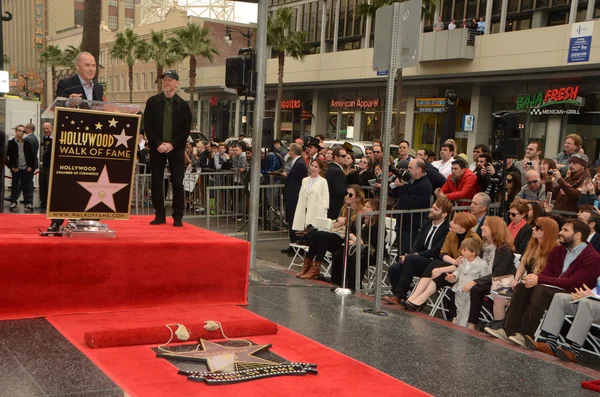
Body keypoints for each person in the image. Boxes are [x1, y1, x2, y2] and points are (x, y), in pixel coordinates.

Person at [485, 220, 600, 347]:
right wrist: (533, 278)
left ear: (577, 235)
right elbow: (546, 273)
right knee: (523, 286)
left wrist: (539, 279)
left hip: (573, 295)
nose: (560, 233)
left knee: (540, 289)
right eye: (561, 229)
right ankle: (508, 330)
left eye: (565, 230)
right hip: (553, 289)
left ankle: (526, 335)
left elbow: (574, 283)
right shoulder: (558, 250)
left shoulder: (592, 257)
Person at [48, 51, 105, 232]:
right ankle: (57, 219)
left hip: (91, 142)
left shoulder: (98, 88)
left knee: (90, 178)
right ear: (78, 67)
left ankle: (88, 216)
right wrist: (67, 103)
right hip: (70, 141)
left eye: (94, 65)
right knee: (65, 180)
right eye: (87, 65)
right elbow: (55, 106)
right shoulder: (66, 84)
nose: (91, 69)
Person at [487, 217, 559, 332]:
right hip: (526, 282)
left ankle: (515, 330)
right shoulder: (532, 245)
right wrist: (516, 279)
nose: (533, 229)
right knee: (500, 297)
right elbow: (522, 264)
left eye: (537, 228)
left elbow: (551, 274)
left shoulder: (555, 250)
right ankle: (502, 327)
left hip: (539, 285)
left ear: (547, 231)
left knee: (517, 295)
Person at [402, 212, 481, 312]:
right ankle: (415, 297)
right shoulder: (451, 234)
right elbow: (443, 253)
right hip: (452, 265)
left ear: (462, 228)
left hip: (465, 272)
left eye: (454, 222)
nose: (450, 223)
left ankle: (421, 299)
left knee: (440, 272)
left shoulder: (474, 240)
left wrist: (441, 269)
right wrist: (453, 261)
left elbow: (466, 265)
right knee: (435, 263)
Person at [143, 70, 192, 227]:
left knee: (177, 182)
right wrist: (157, 144)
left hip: (176, 148)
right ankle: (160, 214)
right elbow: (148, 126)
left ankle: (178, 216)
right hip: (157, 147)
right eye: (165, 80)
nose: (167, 83)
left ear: (177, 83)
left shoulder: (183, 106)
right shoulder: (152, 102)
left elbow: (185, 130)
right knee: (157, 181)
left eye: (170, 80)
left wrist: (172, 144)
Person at [385, 197, 452, 304]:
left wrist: (415, 255)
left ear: (444, 214)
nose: (431, 209)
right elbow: (417, 244)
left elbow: (437, 250)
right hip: (418, 260)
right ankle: (400, 295)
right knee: (394, 268)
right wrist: (411, 255)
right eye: (432, 207)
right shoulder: (427, 223)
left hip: (434, 262)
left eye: (435, 209)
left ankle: (399, 295)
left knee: (410, 259)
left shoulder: (447, 229)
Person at [298, 185, 365, 280]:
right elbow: (338, 222)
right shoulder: (344, 208)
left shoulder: (361, 212)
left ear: (358, 198)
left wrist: (346, 221)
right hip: (337, 233)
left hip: (347, 238)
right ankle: (308, 266)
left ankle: (315, 268)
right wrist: (338, 222)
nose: (346, 196)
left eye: (350, 195)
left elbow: (356, 230)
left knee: (323, 235)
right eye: (346, 193)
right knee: (317, 233)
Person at [463, 216, 516, 329]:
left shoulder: (504, 249)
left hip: (501, 282)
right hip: (488, 279)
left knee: (476, 288)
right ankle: (458, 317)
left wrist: (474, 281)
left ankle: (472, 323)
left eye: (486, 224)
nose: (482, 226)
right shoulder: (484, 246)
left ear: (495, 228)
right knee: (461, 282)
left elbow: (498, 273)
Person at [526, 284, 600, 363]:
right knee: (560, 298)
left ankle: (574, 352)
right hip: (593, 301)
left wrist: (593, 295)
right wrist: (583, 294)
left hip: (593, 303)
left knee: (586, 303)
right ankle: (550, 344)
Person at [330, 198, 381, 290]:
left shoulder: (378, 226)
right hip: (356, 248)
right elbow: (351, 232)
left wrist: (356, 239)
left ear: (374, 211)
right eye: (365, 206)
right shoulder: (360, 220)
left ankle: (353, 286)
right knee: (338, 254)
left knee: (355, 257)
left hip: (371, 253)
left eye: (368, 207)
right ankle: (338, 282)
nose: (364, 208)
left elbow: (371, 244)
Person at [392, 158, 433, 254]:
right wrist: (397, 186)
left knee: (405, 253)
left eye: (410, 168)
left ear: (418, 170)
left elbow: (410, 203)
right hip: (402, 224)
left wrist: (402, 187)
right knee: (400, 252)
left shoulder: (424, 185)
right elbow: (396, 196)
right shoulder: (410, 180)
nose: (407, 170)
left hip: (412, 227)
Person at [445, 238, 487, 327]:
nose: (462, 252)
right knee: (459, 309)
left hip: (470, 292)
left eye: (465, 250)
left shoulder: (482, 264)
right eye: (462, 249)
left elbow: (483, 279)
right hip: (459, 289)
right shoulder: (462, 260)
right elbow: (458, 271)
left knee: (466, 311)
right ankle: (458, 328)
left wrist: (475, 284)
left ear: (473, 252)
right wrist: (453, 276)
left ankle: (461, 329)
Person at [281, 143, 308, 254]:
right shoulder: (294, 162)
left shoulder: (300, 163)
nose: (289, 152)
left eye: (290, 150)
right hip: (291, 196)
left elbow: (301, 181)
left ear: (293, 151)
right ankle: (292, 244)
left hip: (295, 197)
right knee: (291, 221)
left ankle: (297, 245)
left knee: (295, 221)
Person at [292, 159, 329, 240]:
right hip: (304, 208)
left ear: (320, 169)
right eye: (312, 166)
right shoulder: (305, 180)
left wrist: (323, 211)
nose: (313, 168)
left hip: (316, 210)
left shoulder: (323, 181)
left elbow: (325, 198)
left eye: (316, 167)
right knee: (303, 228)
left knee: (313, 231)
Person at [6, 125, 34, 212]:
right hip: (16, 168)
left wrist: (31, 166)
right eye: (19, 130)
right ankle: (13, 202)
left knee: (27, 186)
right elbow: (5, 157)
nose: (21, 132)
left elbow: (32, 156)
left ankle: (28, 203)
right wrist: (11, 167)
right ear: (16, 131)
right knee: (15, 186)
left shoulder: (27, 143)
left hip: (26, 168)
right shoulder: (10, 143)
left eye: (23, 131)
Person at [326, 147, 348, 219]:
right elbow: (340, 190)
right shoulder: (337, 171)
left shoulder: (331, 167)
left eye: (346, 155)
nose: (345, 158)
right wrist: (348, 191)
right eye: (343, 156)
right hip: (336, 205)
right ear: (336, 157)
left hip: (331, 203)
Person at [39, 122, 53, 210]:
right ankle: (43, 204)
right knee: (42, 184)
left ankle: (49, 205)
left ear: (52, 128)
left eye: (48, 128)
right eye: (44, 129)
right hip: (44, 165)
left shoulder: (55, 138)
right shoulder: (45, 138)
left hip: (51, 166)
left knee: (49, 186)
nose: (46, 130)